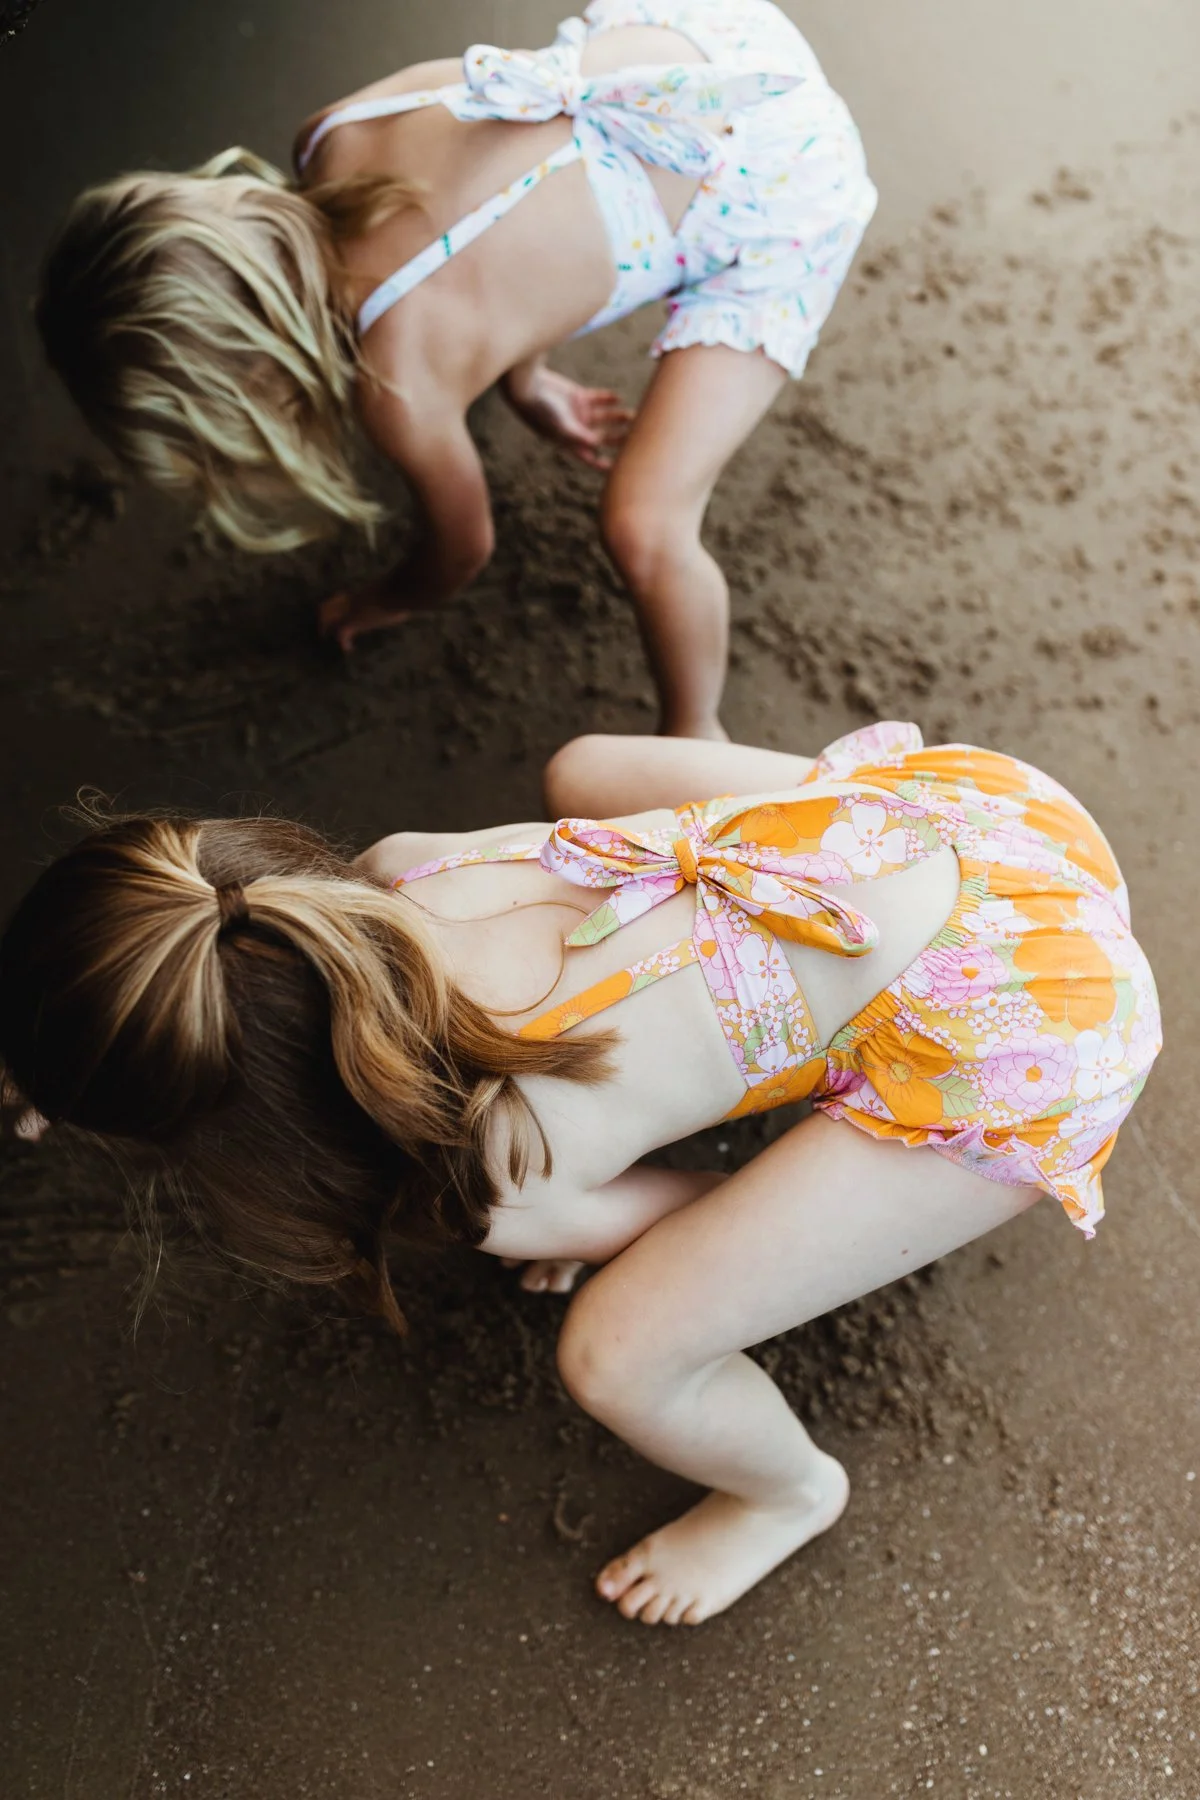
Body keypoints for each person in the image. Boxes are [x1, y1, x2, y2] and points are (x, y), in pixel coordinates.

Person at [0, 722, 1161, 1624]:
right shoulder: (401, 873)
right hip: (976, 826)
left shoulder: (499, 1168)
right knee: (584, 767)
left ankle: (789, 1493)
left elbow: (693, 1208)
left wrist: (592, 1227)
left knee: (619, 1350)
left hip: (1031, 1027)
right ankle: (794, 988)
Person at [34, 1, 876, 739]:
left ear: (247, 388)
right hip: (707, 46)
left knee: (646, 527)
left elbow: (462, 549)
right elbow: (502, 217)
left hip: (781, 195)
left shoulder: (400, 390)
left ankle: (696, 727)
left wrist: (393, 596)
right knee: (530, 209)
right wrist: (526, 378)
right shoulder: (337, 130)